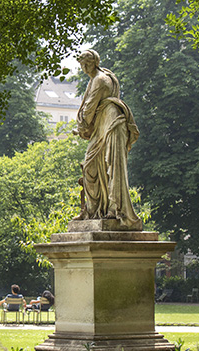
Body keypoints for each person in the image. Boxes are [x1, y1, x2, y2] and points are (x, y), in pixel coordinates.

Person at [73, 49, 141, 229]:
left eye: (87, 64)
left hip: (111, 125)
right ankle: (95, 209)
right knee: (91, 166)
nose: (84, 68)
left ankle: (113, 208)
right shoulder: (97, 78)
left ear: (95, 62)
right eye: (82, 65)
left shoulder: (101, 80)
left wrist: (81, 128)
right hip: (102, 126)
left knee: (112, 166)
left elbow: (88, 109)